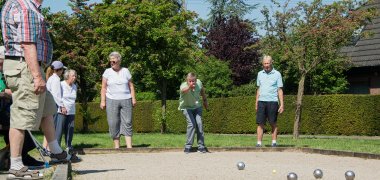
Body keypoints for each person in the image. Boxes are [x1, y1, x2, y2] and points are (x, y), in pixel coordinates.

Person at [1, 0, 71, 178]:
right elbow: (27, 43)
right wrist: (37, 76)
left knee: (47, 109)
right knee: (21, 116)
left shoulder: (24, 5)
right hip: (26, 66)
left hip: (27, 66)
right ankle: (15, 165)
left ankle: (55, 150)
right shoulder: (25, 7)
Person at [0, 46, 44, 170]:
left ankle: (21, 156)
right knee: (19, 122)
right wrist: (5, 92)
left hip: (7, 108)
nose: (2, 66)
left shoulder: (5, 73)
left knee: (24, 124)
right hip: (3, 109)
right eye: (1, 63)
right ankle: (14, 157)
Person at [100, 52, 136, 149]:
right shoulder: (107, 72)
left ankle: (129, 147)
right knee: (113, 122)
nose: (111, 62)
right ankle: (117, 147)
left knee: (127, 121)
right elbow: (103, 88)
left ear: (119, 60)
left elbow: (131, 86)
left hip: (126, 99)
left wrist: (133, 98)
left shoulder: (126, 71)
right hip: (111, 100)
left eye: (113, 61)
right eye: (110, 61)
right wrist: (103, 101)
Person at [255, 55, 284, 147]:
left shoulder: (277, 74)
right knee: (260, 123)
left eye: (268, 63)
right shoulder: (259, 74)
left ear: (271, 63)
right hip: (261, 101)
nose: (266, 65)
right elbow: (259, 89)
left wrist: (282, 104)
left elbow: (279, 90)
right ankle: (259, 143)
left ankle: (274, 142)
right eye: (264, 63)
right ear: (262, 64)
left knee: (273, 123)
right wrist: (256, 102)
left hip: (273, 101)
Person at [178, 72, 209, 154]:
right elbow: (183, 91)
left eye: (193, 81)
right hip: (186, 108)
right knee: (192, 124)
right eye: (190, 81)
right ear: (187, 81)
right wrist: (189, 87)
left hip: (197, 107)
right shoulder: (183, 85)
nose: (192, 83)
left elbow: (202, 90)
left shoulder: (199, 83)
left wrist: (205, 101)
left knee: (199, 124)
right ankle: (188, 146)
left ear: (196, 80)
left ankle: (201, 146)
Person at [43, 61, 66, 150]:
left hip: (50, 104)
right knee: (53, 127)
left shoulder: (51, 78)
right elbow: (56, 95)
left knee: (48, 127)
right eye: (62, 70)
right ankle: (49, 148)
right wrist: (62, 106)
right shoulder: (56, 79)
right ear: (60, 70)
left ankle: (45, 147)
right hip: (54, 105)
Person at [54, 69, 78, 155]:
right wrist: (62, 106)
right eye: (73, 76)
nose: (75, 77)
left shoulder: (75, 86)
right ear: (67, 76)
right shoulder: (61, 84)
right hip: (62, 110)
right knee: (59, 130)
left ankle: (69, 147)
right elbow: (57, 97)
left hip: (71, 111)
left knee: (70, 129)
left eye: (75, 76)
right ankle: (57, 149)